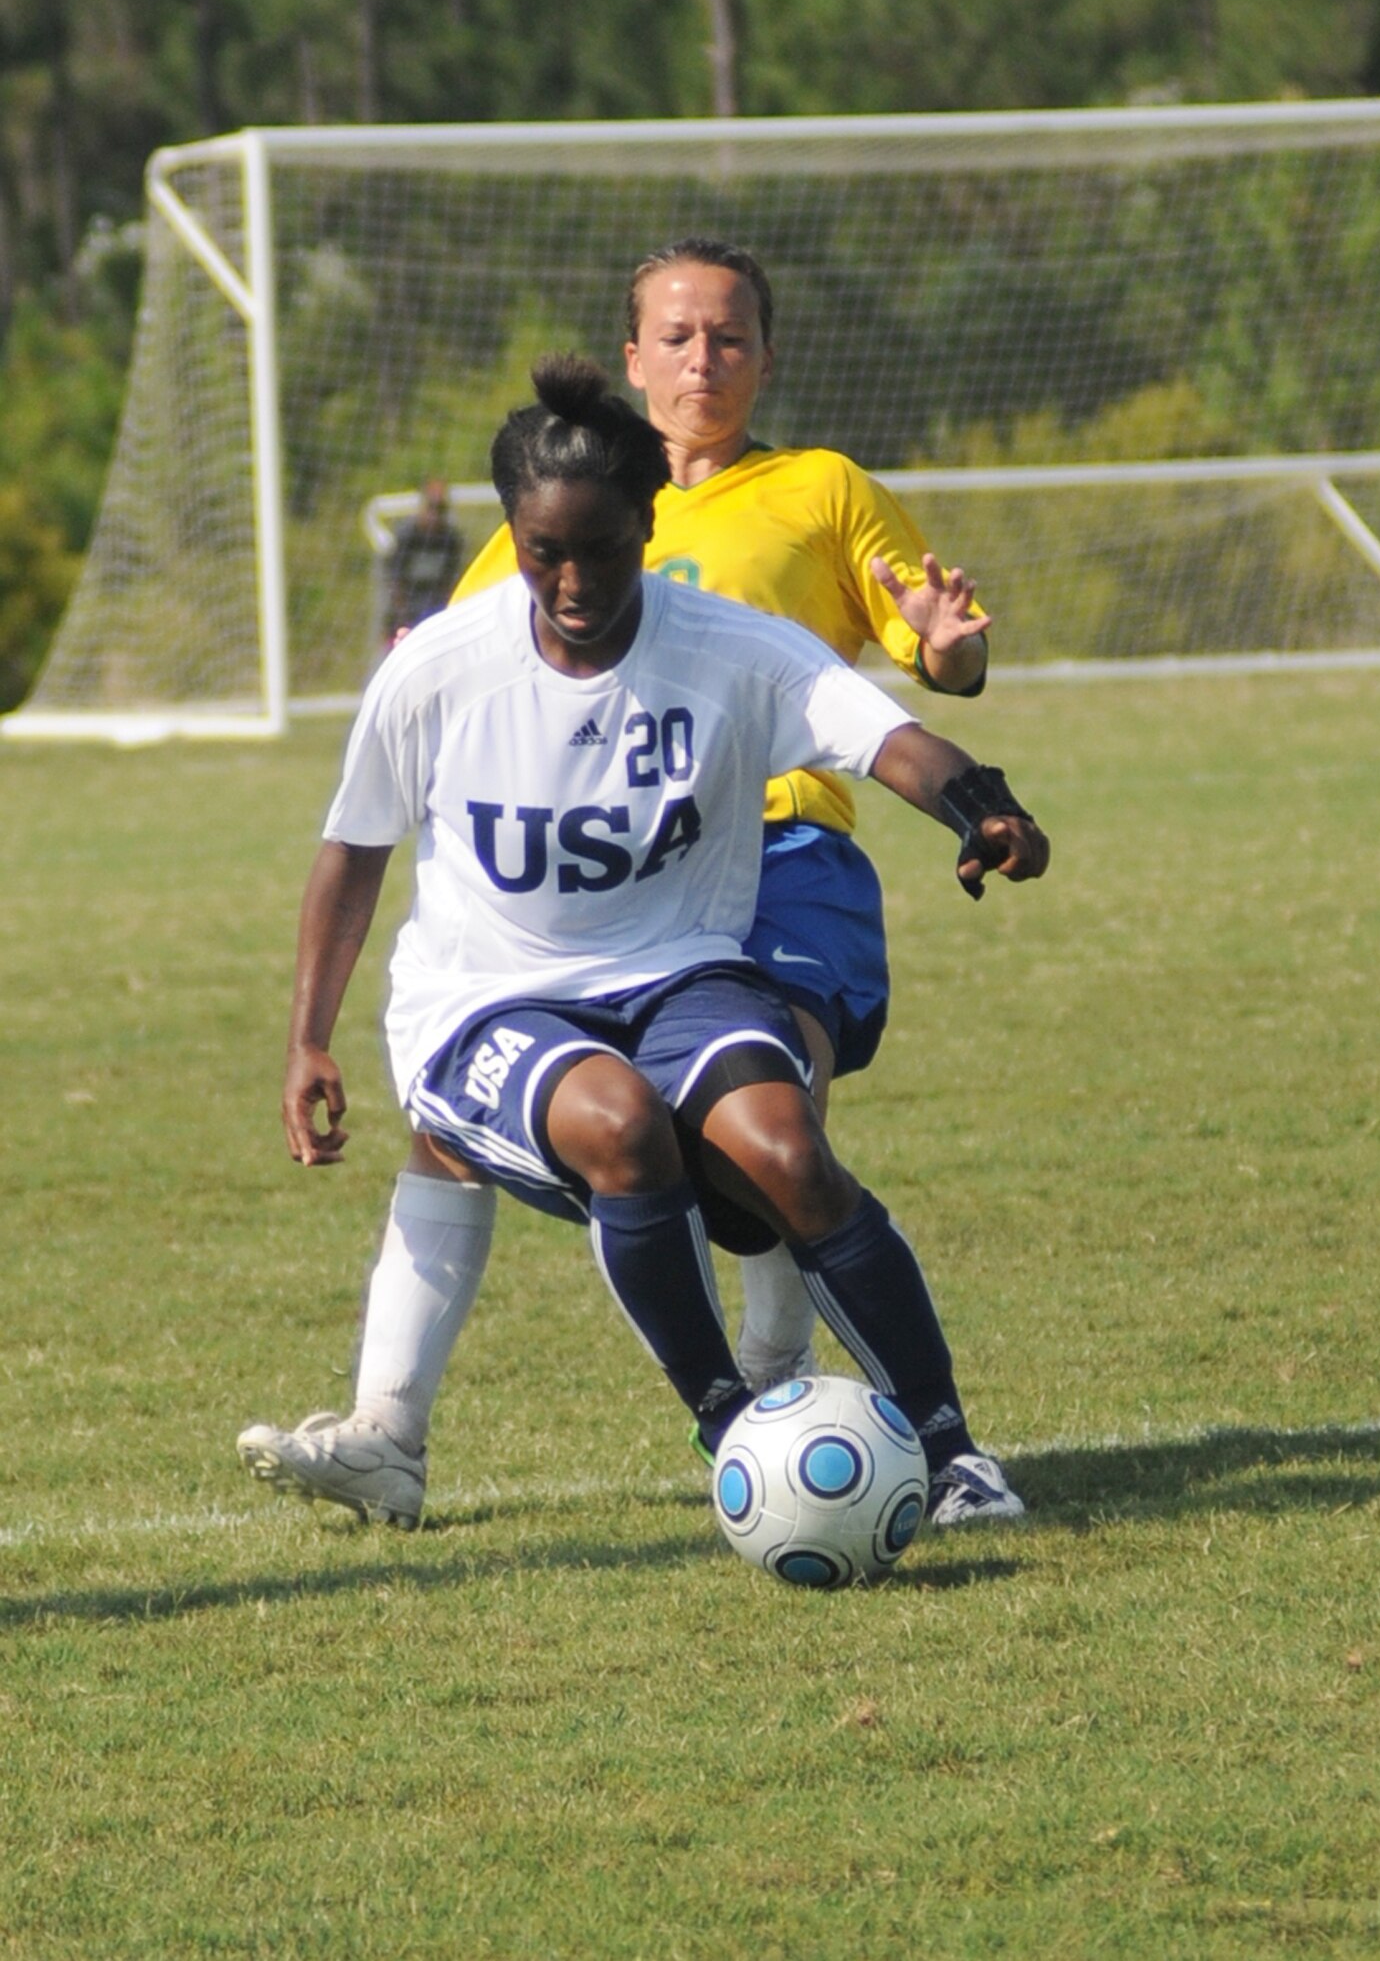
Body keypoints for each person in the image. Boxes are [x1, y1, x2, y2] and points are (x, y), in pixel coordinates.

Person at [239, 239, 1023, 1531]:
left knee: (777, 1138)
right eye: (545, 554)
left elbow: (879, 720)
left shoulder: (793, 526)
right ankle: (743, 1435)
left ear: (644, 532)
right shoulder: (457, 645)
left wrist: (978, 797)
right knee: (613, 1126)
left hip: (744, 890)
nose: (571, 583)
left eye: (599, 554)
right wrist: (308, 1038)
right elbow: (358, 840)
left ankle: (947, 1450)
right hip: (496, 987)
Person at [382, 477, 465, 644]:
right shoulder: (406, 537)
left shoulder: (451, 540)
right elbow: (394, 581)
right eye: (431, 508)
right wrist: (402, 617)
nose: (435, 515)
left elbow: (451, 582)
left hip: (436, 616)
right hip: (404, 617)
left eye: (440, 509)